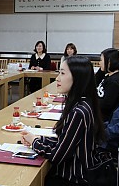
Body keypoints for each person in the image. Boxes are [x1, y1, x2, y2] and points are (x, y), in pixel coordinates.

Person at [21, 56, 105, 185]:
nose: (57, 78)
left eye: (62, 73)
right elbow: (66, 140)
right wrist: (39, 138)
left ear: (77, 77)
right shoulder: (84, 103)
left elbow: (57, 156)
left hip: (75, 178)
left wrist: (35, 142)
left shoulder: (78, 112)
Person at [96, 48, 119, 122]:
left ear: (109, 62)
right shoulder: (108, 76)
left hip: (104, 121)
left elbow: (106, 105)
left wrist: (90, 100)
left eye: (101, 60)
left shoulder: (115, 81)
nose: (99, 63)